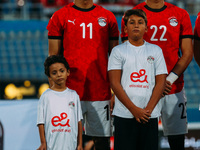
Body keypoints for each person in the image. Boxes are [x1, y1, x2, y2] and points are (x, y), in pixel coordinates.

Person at [46, 0, 119, 149]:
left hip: (100, 91)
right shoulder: (60, 16)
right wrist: (55, 93)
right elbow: (52, 59)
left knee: (102, 141)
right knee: (67, 139)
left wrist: (116, 92)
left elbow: (116, 59)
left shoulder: (108, 17)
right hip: (70, 91)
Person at [121, 1, 193, 150]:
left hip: (172, 88)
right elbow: (126, 52)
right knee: (142, 141)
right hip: (142, 87)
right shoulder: (132, 13)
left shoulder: (181, 14)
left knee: (177, 141)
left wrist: (168, 80)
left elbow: (187, 53)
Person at [108, 9, 168, 150]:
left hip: (149, 115)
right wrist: (134, 109)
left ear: (146, 28)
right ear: (125, 28)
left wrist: (148, 110)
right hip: (124, 114)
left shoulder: (156, 50)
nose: (136, 25)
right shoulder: (118, 51)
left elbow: (161, 82)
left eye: (140, 22)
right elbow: (115, 83)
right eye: (132, 22)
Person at [37, 55, 83, 150]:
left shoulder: (74, 95)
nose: (59, 75)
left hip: (71, 146)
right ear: (49, 77)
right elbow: (41, 122)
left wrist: (80, 145)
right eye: (54, 73)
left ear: (68, 72)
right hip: (52, 146)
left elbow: (79, 121)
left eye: (61, 71)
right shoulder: (45, 96)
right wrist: (43, 143)